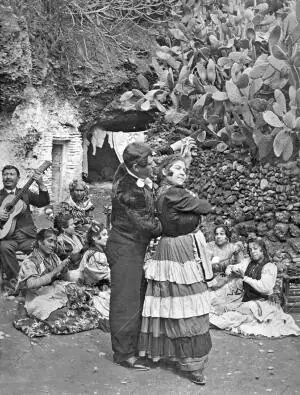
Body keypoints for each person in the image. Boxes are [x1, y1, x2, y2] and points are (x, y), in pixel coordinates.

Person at [106, 138, 195, 370]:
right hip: (126, 247)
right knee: (126, 300)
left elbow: (152, 152)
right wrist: (175, 223)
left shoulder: (126, 165)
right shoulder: (128, 192)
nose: (154, 166)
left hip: (135, 246)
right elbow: (150, 226)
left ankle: (135, 345)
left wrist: (175, 147)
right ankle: (124, 354)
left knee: (139, 296)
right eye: (150, 164)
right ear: (136, 168)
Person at [138, 154, 213, 385]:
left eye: (184, 169)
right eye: (177, 169)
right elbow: (205, 207)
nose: (183, 173)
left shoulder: (164, 192)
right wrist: (195, 203)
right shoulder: (173, 192)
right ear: (165, 173)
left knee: (169, 301)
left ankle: (172, 354)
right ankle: (191, 363)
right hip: (179, 249)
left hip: (169, 247)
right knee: (185, 302)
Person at [14, 228, 109, 337]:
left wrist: (64, 270)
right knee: (60, 316)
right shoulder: (30, 261)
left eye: (54, 241)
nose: (53, 245)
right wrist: (57, 270)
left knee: (82, 295)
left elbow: (65, 277)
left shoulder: (53, 256)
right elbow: (31, 284)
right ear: (40, 242)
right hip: (36, 295)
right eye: (50, 241)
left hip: (53, 289)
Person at [210, 238, 300, 338]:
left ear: (262, 250)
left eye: (255, 248)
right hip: (248, 299)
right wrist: (230, 269)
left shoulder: (270, 266)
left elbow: (264, 287)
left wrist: (245, 277)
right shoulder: (249, 262)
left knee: (235, 314)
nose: (252, 252)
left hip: (263, 302)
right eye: (250, 249)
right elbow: (236, 266)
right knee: (227, 308)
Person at [0, 165, 50, 286]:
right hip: (8, 238)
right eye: (5, 174)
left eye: (12, 174)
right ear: (2, 178)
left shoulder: (26, 193)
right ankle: (17, 282)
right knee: (3, 247)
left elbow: (43, 202)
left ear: (18, 178)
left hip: (27, 236)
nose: (8, 177)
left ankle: (42, 278)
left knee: (43, 247)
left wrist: (41, 184)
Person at [207, 225, 245, 314]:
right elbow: (206, 265)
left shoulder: (233, 247)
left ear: (227, 236)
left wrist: (234, 268)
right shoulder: (209, 246)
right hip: (213, 278)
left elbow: (241, 264)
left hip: (228, 278)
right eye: (216, 234)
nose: (218, 236)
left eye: (221, 234)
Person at [79, 223, 110, 288]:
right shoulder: (96, 255)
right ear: (94, 237)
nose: (107, 237)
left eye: (107, 234)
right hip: (95, 288)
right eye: (104, 235)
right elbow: (104, 276)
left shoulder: (91, 251)